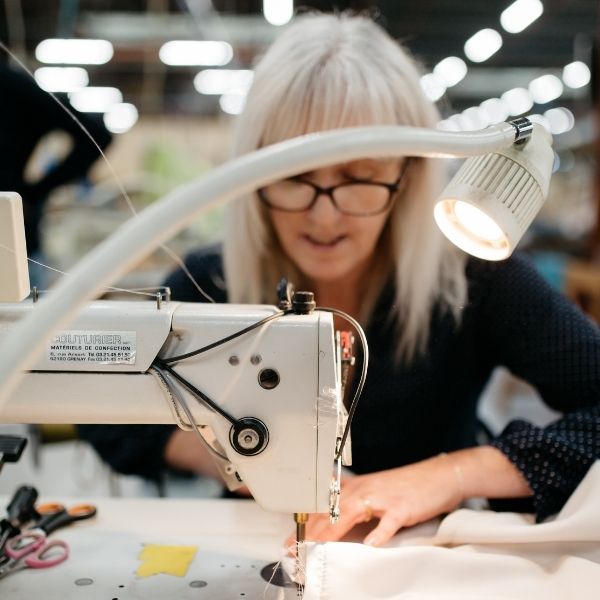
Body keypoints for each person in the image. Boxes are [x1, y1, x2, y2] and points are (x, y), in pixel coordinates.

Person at [78, 13, 600, 547]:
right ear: (252, 174)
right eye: (294, 177)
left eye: (357, 177)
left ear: (407, 173)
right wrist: (234, 454)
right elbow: (101, 414)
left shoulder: (473, 278)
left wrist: (449, 476)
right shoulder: (212, 281)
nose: (323, 217)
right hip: (261, 538)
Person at [0, 60, 112, 287]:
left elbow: (96, 135)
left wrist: (33, 192)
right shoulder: (14, 85)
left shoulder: (12, 86)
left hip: (14, 244)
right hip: (16, 238)